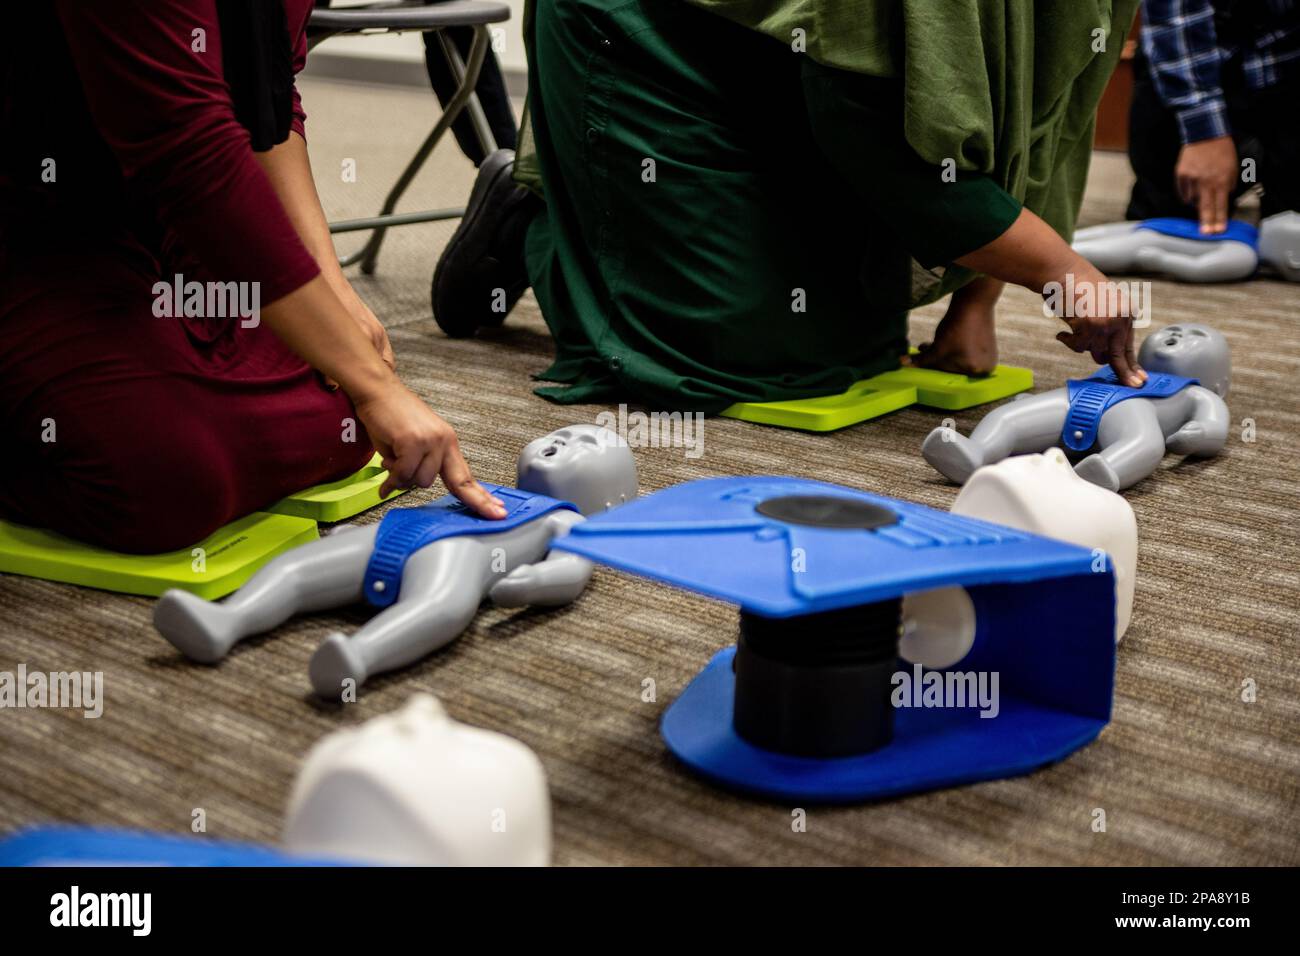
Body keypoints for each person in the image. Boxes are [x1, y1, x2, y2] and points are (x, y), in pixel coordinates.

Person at [433, 0, 1148, 414]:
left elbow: (1044, 120)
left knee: (849, 346)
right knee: (720, 354)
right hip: (636, 22)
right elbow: (883, 148)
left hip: (782, 46)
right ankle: (541, 220)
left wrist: (976, 305)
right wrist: (1064, 273)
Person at [0, 0, 505, 555]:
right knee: (168, 484)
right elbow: (185, 148)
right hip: (35, 220)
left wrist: (334, 298)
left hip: (155, 211)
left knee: (335, 418)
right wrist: (375, 384)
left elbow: (270, 105)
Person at [1126, 0, 1300, 234]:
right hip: (1196, 63)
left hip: (1286, 69)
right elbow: (1175, 14)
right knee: (1173, 228)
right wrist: (1202, 130)